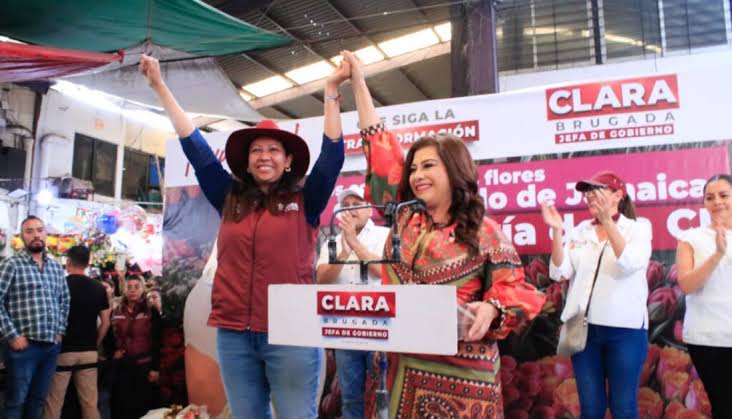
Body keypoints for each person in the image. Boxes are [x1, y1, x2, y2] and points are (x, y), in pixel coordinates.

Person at [139, 52, 347, 419]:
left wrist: (331, 92)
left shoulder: (306, 200)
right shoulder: (229, 197)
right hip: (234, 334)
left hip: (292, 333)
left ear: (288, 161)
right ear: (247, 162)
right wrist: (158, 86)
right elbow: (195, 147)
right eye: (256, 150)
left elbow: (331, 158)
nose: (264, 156)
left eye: (273, 150)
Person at [341, 51, 545, 418]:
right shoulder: (406, 219)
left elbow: (517, 290)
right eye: (414, 168)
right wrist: (358, 82)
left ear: (454, 170)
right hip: (401, 371)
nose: (417, 174)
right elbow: (381, 151)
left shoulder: (485, 231)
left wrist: (491, 308)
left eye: (428, 166)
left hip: (462, 379)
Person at [542, 171, 651, 419]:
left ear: (618, 196)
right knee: (590, 409)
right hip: (584, 331)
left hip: (626, 331)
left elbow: (629, 263)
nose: (590, 196)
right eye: (587, 192)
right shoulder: (580, 231)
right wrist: (557, 231)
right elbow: (559, 272)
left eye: (597, 190)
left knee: (623, 407)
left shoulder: (638, 229)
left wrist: (608, 222)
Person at [315, 184, 390, 419]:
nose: (351, 210)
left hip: (382, 328)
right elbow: (321, 280)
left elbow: (387, 273)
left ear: (369, 210)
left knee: (384, 394)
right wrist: (344, 252)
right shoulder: (333, 242)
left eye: (357, 204)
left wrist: (355, 243)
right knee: (350, 398)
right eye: (345, 206)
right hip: (345, 329)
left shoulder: (385, 235)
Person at [0, 216, 70, 419]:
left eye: (39, 230)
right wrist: (12, 335)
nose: (36, 235)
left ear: (46, 233)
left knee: (38, 401)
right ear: (22, 236)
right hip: (23, 347)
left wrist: (60, 331)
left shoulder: (56, 268)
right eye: (29, 231)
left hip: (50, 346)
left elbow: (65, 300)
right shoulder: (11, 265)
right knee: (16, 403)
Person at [676, 174, 732, 418]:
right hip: (708, 338)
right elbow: (687, 285)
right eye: (710, 197)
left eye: (723, 195)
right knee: (724, 408)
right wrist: (717, 254)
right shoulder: (691, 238)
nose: (717, 202)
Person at [43, 245, 110, 419]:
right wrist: (96, 343)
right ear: (88, 263)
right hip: (89, 352)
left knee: (53, 404)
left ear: (68, 262)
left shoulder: (59, 285)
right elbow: (105, 322)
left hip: (62, 351)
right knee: (90, 404)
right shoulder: (99, 288)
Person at [107, 276, 162, 419]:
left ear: (143, 289)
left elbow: (158, 341)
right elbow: (109, 337)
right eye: (129, 287)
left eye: (137, 287)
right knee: (121, 408)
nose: (133, 290)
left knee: (144, 408)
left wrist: (155, 368)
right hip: (122, 366)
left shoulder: (151, 311)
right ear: (124, 289)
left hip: (144, 366)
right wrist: (113, 352)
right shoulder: (116, 311)